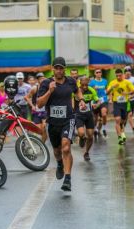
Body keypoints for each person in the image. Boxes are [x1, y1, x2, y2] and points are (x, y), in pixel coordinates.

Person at [37, 57, 86, 191]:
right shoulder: (46, 83)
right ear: (52, 69)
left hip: (68, 120)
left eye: (61, 68)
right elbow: (39, 103)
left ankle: (68, 179)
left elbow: (77, 91)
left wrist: (81, 100)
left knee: (66, 148)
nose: (58, 70)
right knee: (57, 151)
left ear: (65, 69)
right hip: (52, 122)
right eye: (56, 68)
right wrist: (49, 91)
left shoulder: (71, 81)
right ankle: (59, 164)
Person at [107, 69, 134, 145]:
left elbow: (133, 90)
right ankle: (119, 137)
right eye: (117, 76)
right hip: (116, 103)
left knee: (122, 122)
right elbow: (107, 92)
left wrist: (126, 93)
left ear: (122, 75)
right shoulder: (113, 82)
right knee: (117, 119)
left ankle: (122, 133)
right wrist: (112, 87)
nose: (118, 77)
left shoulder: (127, 82)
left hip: (125, 104)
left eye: (120, 75)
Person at [75, 76, 101, 161]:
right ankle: (82, 138)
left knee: (90, 135)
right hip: (79, 115)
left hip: (89, 115)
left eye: (86, 84)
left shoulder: (91, 90)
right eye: (83, 85)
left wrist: (96, 105)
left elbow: (98, 100)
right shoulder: (76, 90)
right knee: (81, 133)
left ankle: (86, 152)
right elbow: (70, 99)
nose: (85, 87)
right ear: (80, 83)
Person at [26, 73, 48, 143]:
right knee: (39, 130)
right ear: (37, 80)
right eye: (39, 78)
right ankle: (39, 143)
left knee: (44, 128)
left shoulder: (48, 87)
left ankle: (42, 145)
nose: (41, 80)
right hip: (37, 111)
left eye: (42, 78)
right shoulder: (35, 88)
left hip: (46, 111)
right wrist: (32, 106)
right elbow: (26, 97)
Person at [89, 69, 109, 138]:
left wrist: (110, 97)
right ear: (95, 74)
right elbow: (89, 92)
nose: (98, 73)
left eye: (100, 72)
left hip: (103, 100)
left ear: (101, 73)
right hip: (95, 101)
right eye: (97, 72)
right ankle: (95, 129)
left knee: (104, 114)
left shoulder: (105, 81)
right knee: (95, 118)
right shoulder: (92, 82)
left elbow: (107, 90)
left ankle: (104, 128)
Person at [124, 66, 134, 135]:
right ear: (124, 73)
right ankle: (133, 129)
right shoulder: (122, 79)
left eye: (129, 72)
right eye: (126, 72)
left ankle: (123, 128)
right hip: (124, 100)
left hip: (132, 99)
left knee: (129, 115)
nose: (128, 73)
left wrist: (132, 92)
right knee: (128, 115)